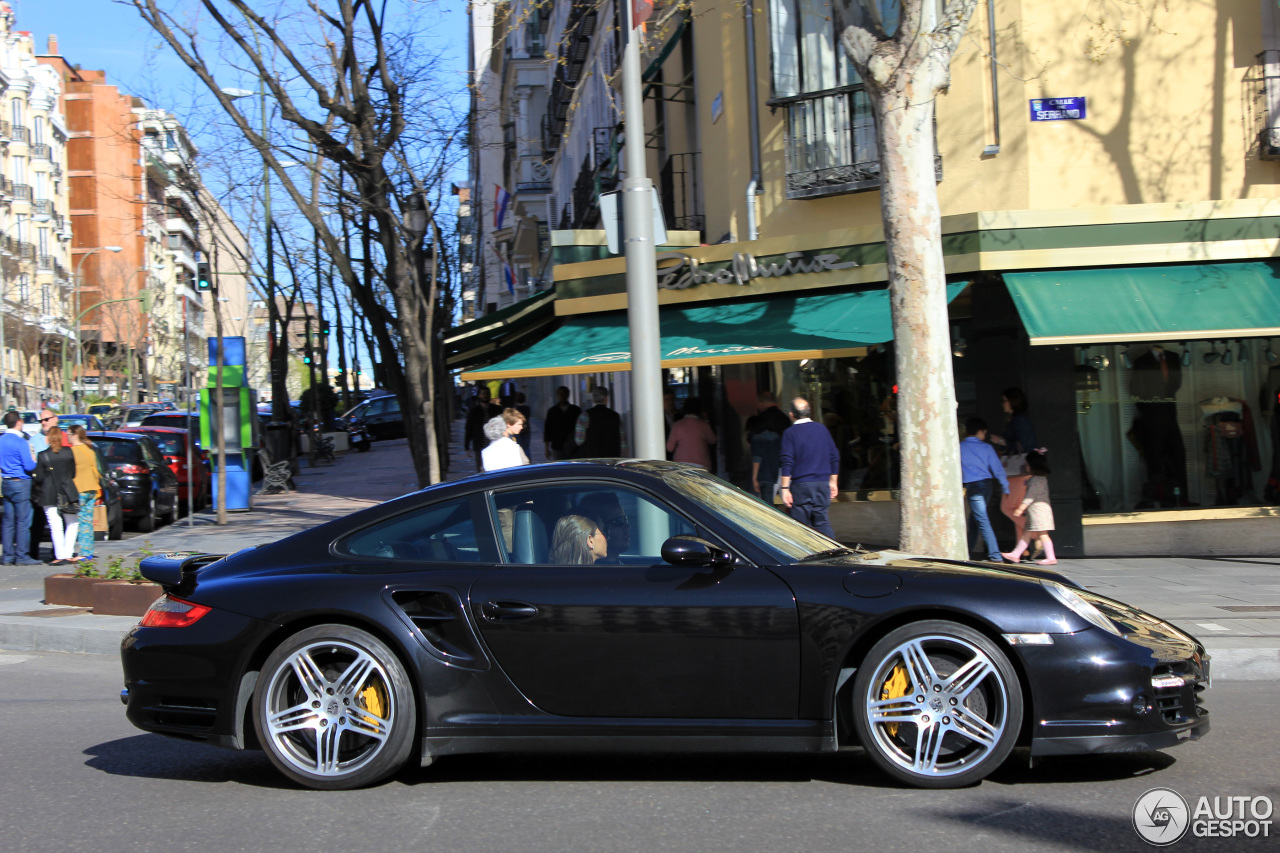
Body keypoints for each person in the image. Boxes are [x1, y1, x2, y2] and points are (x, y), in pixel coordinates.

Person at [779, 397, 840, 538]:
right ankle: (833, 555)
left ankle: (805, 558)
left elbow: (787, 461)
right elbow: (834, 456)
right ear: (809, 412)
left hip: (801, 486)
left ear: (791, 414)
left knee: (801, 529)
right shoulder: (822, 429)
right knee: (822, 523)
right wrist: (833, 482)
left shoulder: (790, 433)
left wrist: (784, 489)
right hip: (822, 484)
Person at [990, 387, 1038, 548]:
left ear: (1012, 402)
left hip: (1019, 471)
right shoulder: (1017, 419)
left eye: (1004, 401)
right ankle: (1021, 549)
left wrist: (1001, 442)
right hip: (1019, 470)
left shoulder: (1019, 420)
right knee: (1016, 508)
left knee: (1007, 507)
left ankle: (1037, 534)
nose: (1002, 404)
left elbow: (1024, 445)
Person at [960, 417, 1009, 563]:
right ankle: (967, 551)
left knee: (981, 519)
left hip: (973, 486)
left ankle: (995, 555)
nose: (984, 436)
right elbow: (998, 469)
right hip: (987, 485)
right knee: (976, 519)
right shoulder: (986, 447)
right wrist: (1005, 486)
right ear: (980, 431)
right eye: (984, 433)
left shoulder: (959, 447)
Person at [34, 426, 81, 566]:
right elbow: (73, 473)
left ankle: (59, 555)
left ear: (48, 438)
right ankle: (68, 552)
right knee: (72, 522)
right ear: (61, 438)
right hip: (67, 491)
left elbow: (39, 478)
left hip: (48, 493)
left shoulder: (43, 455)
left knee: (55, 525)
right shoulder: (68, 452)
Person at [1001, 451, 1057, 565]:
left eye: (1027, 464)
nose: (1025, 466)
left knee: (1043, 535)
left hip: (1038, 512)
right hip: (1039, 511)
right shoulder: (1041, 479)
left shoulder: (1034, 480)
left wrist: (1020, 509)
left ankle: (1051, 557)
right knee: (1027, 534)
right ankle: (1015, 554)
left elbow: (1030, 497)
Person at [0, 411, 40, 565]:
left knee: (8, 521)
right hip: (21, 481)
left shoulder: (1, 441)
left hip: (6, 480)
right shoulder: (21, 442)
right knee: (23, 521)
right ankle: (22, 555)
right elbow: (29, 465)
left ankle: (8, 556)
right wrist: (35, 460)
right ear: (19, 422)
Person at [745, 391, 791, 504]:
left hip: (765, 467)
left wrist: (754, 477)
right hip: (783, 463)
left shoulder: (762, 420)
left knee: (763, 501)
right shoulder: (784, 418)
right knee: (786, 498)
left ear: (762, 403)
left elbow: (756, 453)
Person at [67, 426, 102, 563]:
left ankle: (82, 552)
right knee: (87, 520)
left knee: (80, 521)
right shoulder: (89, 449)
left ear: (75, 435)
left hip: (80, 489)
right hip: (92, 488)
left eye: (69, 434)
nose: (67, 437)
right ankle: (88, 551)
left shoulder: (73, 452)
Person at [574, 386, 629, 457]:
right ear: (606, 399)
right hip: (612, 458)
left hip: (592, 458)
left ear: (593, 400)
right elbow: (623, 443)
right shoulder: (615, 416)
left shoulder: (585, 415)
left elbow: (579, 440)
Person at [665, 398, 717, 471]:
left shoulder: (677, 425)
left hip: (680, 464)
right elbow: (713, 440)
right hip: (701, 464)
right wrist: (706, 420)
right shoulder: (704, 425)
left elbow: (669, 448)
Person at [464, 387, 502, 472]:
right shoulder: (473, 411)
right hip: (479, 445)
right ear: (479, 395)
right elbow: (468, 428)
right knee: (481, 470)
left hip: (494, 444)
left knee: (495, 468)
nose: (485, 396)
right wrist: (467, 446)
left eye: (487, 393)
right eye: (483, 393)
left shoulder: (497, 409)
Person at [543, 386, 581, 460]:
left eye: (564, 394)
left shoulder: (575, 410)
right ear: (557, 395)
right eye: (560, 394)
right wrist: (546, 448)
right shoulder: (552, 411)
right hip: (557, 446)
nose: (562, 396)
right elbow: (547, 429)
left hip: (573, 446)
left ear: (568, 395)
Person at [513, 392, 533, 459]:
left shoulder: (515, 409)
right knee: (526, 447)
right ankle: (528, 459)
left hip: (517, 429)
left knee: (519, 446)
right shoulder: (527, 408)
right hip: (526, 428)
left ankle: (521, 459)